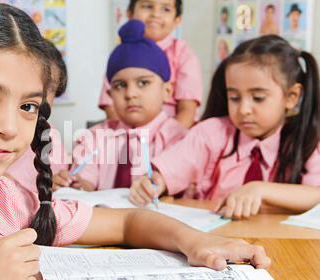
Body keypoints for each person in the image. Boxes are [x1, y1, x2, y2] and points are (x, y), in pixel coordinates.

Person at [0, 2, 271, 280]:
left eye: (27, 106)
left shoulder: (8, 199)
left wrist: (195, 243)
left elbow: (128, 223)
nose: (9, 127)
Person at [129, 35, 320, 219]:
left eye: (258, 98)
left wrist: (260, 189)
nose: (244, 109)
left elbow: (316, 195)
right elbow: (172, 169)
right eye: (234, 97)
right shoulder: (212, 133)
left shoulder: (307, 140)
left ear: (292, 96)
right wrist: (154, 183)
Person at [53, 19, 187, 191]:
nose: (130, 94)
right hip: (108, 217)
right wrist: (75, 185)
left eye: (143, 83)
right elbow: (85, 179)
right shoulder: (94, 138)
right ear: (110, 96)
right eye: (120, 86)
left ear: (167, 91)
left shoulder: (179, 139)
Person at [98, 0, 203, 129]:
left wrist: (167, 140)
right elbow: (111, 108)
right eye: (147, 6)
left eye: (165, 9)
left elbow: (187, 111)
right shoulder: (121, 55)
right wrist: (126, 138)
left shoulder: (184, 54)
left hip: (173, 138)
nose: (155, 14)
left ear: (177, 20)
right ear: (130, 14)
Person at [5, 39, 70, 192]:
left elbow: (57, 179)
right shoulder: (0, 129)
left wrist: (59, 181)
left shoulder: (52, 137)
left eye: (48, 88)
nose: (39, 96)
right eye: (30, 83)